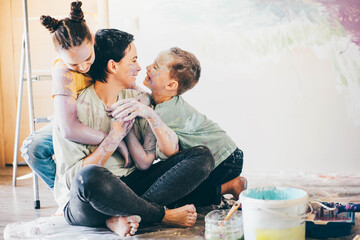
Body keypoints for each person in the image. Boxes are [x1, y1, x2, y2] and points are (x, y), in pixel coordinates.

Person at [56, 28, 214, 237]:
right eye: (133, 61)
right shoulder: (76, 109)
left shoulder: (140, 99)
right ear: (113, 66)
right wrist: (114, 137)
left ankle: (120, 217)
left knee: (202, 156)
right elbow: (72, 180)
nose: (139, 68)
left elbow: (155, 159)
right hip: (90, 199)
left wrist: (148, 114)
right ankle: (159, 215)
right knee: (89, 177)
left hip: (131, 186)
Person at [108, 47, 247, 207]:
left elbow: (158, 157)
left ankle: (231, 186)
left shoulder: (165, 113)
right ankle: (231, 185)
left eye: (156, 67)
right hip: (229, 155)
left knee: (174, 195)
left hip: (225, 160)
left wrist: (125, 130)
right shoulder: (161, 101)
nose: (147, 67)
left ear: (171, 84)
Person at [20, 1, 134, 190]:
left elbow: (126, 78)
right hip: (77, 120)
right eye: (74, 64)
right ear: (61, 57)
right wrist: (113, 140)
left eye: (88, 58)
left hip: (103, 114)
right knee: (32, 146)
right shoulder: (62, 72)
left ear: (92, 40)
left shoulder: (101, 50)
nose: (83, 67)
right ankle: (65, 194)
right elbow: (68, 128)